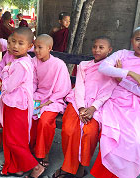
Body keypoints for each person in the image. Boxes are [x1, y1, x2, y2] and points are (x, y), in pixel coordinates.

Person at [90, 26, 140, 178]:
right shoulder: (122, 54)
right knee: (112, 135)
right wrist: (129, 73)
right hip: (114, 102)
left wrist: (121, 79)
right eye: (138, 39)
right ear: (132, 41)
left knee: (136, 141)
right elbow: (103, 67)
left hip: (135, 107)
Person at [52, 36, 116, 178]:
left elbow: (107, 92)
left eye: (101, 47)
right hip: (78, 102)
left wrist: (92, 108)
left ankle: (80, 167)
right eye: (95, 46)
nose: (97, 50)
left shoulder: (112, 69)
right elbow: (79, 87)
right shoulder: (84, 65)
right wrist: (81, 108)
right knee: (69, 129)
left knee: (89, 132)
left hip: (98, 106)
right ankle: (68, 166)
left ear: (109, 50)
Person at [0, 27, 43, 178]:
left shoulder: (21, 64)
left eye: (20, 43)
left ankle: (36, 166)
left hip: (17, 106)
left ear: (29, 46)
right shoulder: (13, 57)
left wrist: (5, 73)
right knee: (11, 137)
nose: (15, 46)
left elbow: (8, 86)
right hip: (10, 103)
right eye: (13, 41)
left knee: (14, 139)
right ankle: (17, 167)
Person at [29, 34, 71, 173]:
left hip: (54, 99)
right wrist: (34, 98)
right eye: (35, 47)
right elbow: (33, 82)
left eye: (40, 47)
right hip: (38, 97)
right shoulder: (34, 62)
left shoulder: (58, 64)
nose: (36, 50)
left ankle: (43, 154)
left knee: (45, 120)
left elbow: (63, 88)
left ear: (49, 48)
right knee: (28, 115)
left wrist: (47, 102)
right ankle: (30, 149)